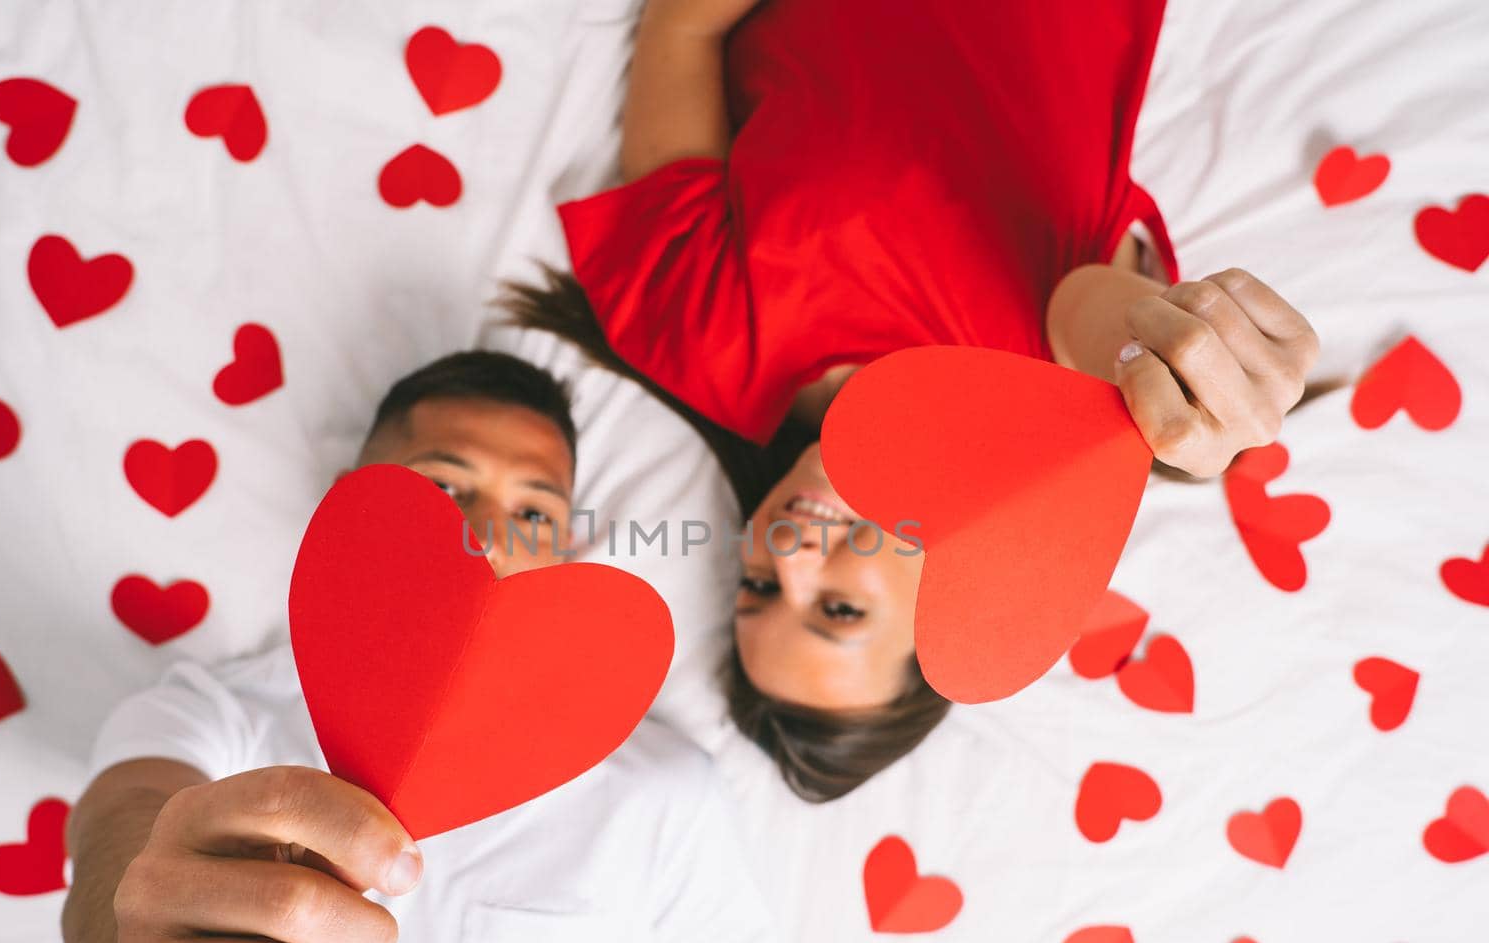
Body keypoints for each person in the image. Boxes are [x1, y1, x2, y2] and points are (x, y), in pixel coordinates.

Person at [512, 0, 1321, 802]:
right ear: (948, 608)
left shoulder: (698, 338)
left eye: (755, 589)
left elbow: (683, 28)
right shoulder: (1053, 395)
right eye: (836, 607)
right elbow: (1102, 317)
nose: (785, 553)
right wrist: (1177, 371)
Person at [61, 351, 788, 943]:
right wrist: (141, 921)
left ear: (565, 552)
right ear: (353, 503)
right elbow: (123, 830)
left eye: (534, 510)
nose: (490, 535)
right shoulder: (213, 715)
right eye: (445, 486)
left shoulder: (664, 796)